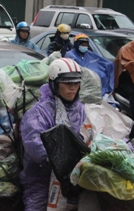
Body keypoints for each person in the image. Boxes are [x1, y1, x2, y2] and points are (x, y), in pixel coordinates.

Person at [20, 58, 86, 211]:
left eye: (76, 83)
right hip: (41, 179)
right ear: (54, 84)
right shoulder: (39, 112)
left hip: (73, 177)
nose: (72, 88)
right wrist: (56, 158)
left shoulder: (80, 109)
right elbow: (33, 141)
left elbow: (89, 133)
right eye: (67, 83)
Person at [66, 33, 115, 100]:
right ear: (77, 44)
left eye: (86, 45)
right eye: (82, 45)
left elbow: (105, 62)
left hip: (100, 86)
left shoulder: (89, 53)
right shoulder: (71, 55)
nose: (85, 47)